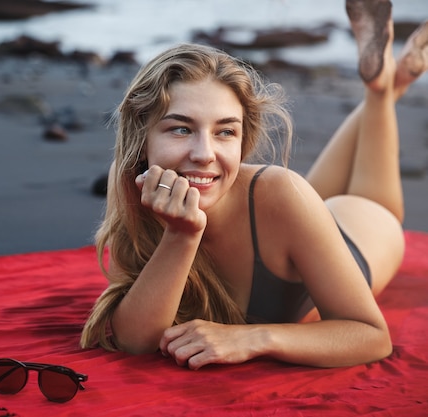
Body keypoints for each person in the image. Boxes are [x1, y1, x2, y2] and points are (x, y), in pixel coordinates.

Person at [80, 0, 428, 369]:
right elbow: (136, 341)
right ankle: (388, 84)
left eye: (225, 131)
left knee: (375, 202)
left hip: (360, 232)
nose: (204, 153)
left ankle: (381, 89)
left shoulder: (279, 190)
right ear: (142, 134)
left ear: (243, 139)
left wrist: (256, 337)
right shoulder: (131, 182)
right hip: (290, 225)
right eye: (181, 128)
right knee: (298, 201)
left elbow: (371, 336)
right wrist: (181, 236)